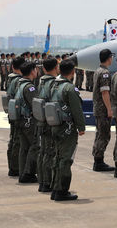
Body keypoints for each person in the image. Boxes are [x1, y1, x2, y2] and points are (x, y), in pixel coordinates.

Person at [49, 60, 86, 201]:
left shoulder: (54, 85)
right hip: (67, 129)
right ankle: (62, 191)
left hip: (55, 126)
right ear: (72, 72)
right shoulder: (70, 88)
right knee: (66, 160)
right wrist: (81, 127)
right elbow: (77, 110)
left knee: (57, 158)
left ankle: (55, 187)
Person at [36, 57, 59, 193]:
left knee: (43, 152)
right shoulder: (53, 83)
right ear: (56, 67)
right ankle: (47, 182)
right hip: (50, 122)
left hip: (41, 121)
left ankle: (42, 181)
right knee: (50, 153)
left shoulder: (41, 82)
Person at [16, 62, 40, 183]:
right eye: (36, 69)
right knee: (35, 146)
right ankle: (28, 173)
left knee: (24, 147)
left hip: (20, 120)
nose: (37, 71)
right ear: (32, 71)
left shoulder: (19, 84)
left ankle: (22, 173)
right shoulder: (30, 87)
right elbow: (36, 106)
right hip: (29, 122)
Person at [92, 48, 115, 172]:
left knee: (100, 134)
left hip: (98, 108)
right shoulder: (105, 73)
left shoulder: (98, 71)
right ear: (109, 58)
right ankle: (98, 161)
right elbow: (105, 92)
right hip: (103, 109)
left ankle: (98, 159)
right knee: (104, 135)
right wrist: (109, 109)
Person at [6, 56, 24, 177]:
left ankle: (13, 166)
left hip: (12, 113)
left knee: (13, 140)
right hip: (17, 114)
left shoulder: (10, 79)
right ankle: (15, 167)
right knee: (17, 141)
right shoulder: (19, 80)